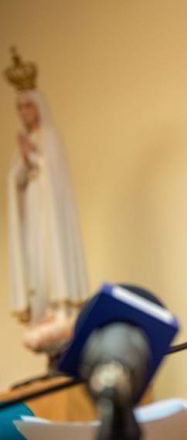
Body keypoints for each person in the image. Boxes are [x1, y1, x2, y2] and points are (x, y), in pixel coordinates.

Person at [6, 87, 90, 356]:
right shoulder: (26, 141)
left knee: (53, 258)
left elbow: (53, 177)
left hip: (51, 218)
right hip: (33, 213)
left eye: (27, 106)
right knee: (37, 262)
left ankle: (60, 310)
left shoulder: (49, 137)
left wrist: (32, 156)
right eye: (19, 107)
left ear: (39, 107)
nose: (23, 112)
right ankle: (44, 313)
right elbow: (15, 180)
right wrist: (24, 159)